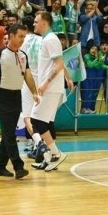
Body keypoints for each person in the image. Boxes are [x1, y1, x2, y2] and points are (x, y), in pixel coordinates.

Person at [0, 23, 38, 180]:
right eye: (20, 36)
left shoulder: (23, 55)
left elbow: (27, 75)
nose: (22, 40)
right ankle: (18, 166)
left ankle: (0, 167)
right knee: (9, 134)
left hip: (17, 96)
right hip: (1, 96)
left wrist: (34, 91)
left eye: (24, 36)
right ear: (12, 35)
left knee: (8, 132)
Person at [28, 11, 73, 171]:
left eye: (36, 21)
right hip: (48, 88)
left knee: (37, 120)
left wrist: (46, 83)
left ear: (44, 23)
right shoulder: (46, 39)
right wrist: (67, 77)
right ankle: (49, 156)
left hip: (51, 88)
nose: (33, 24)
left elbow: (58, 63)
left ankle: (56, 153)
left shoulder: (51, 40)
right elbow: (59, 62)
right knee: (39, 121)